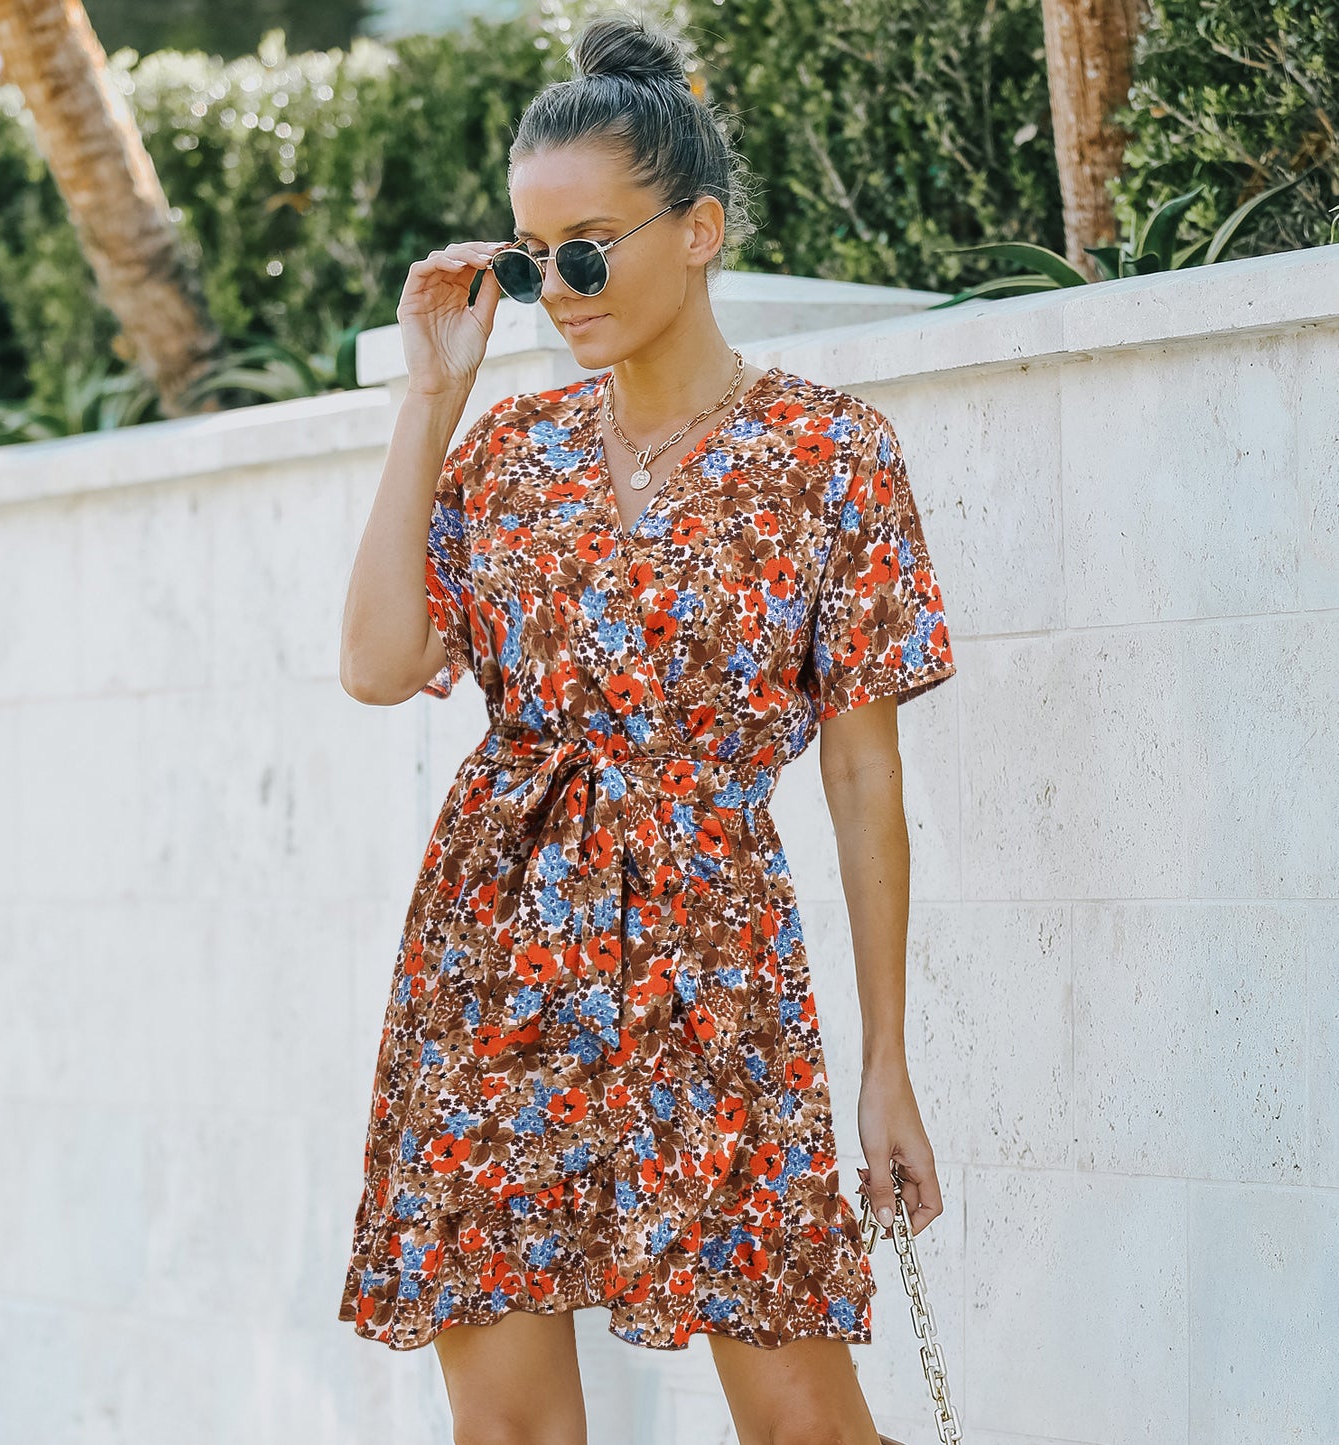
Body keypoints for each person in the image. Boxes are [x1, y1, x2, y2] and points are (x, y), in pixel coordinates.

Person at [337, 11, 958, 1444]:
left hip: (711, 958)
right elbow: (377, 664)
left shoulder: (827, 454)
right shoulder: (507, 453)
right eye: (530, 255)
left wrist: (884, 1063)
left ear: (700, 230)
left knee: (800, 1408)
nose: (559, 286)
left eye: (589, 246)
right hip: (495, 950)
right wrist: (430, 398)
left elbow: (866, 781)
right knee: (507, 1424)